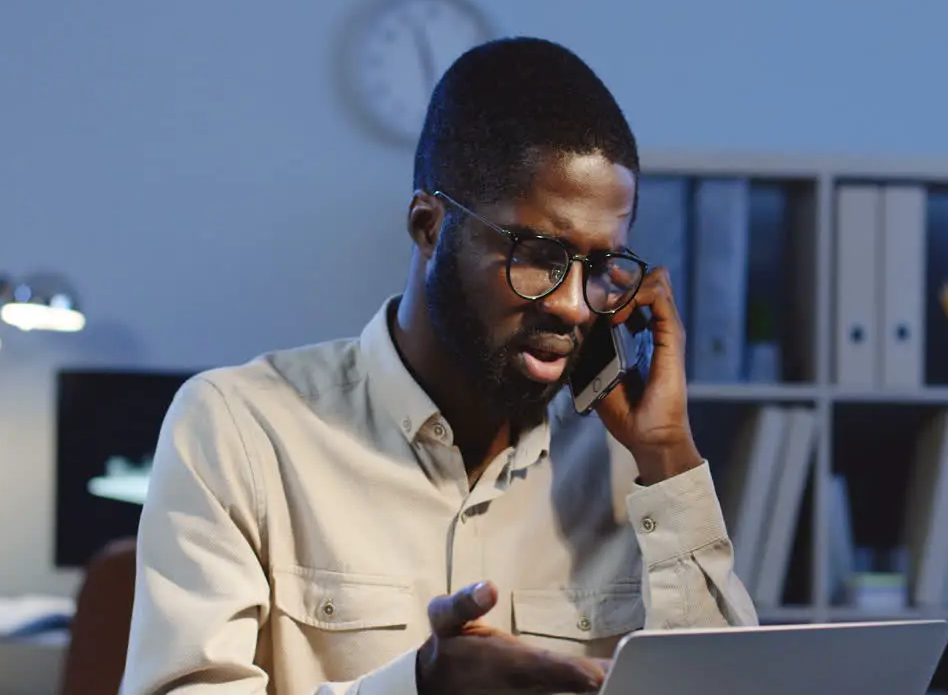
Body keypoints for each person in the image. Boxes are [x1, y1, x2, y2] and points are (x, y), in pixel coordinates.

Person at [121, 36, 758, 695]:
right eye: (539, 255)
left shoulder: (633, 466)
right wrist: (419, 685)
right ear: (429, 226)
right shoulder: (241, 430)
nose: (574, 308)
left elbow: (729, 687)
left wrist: (667, 454)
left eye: (600, 267)